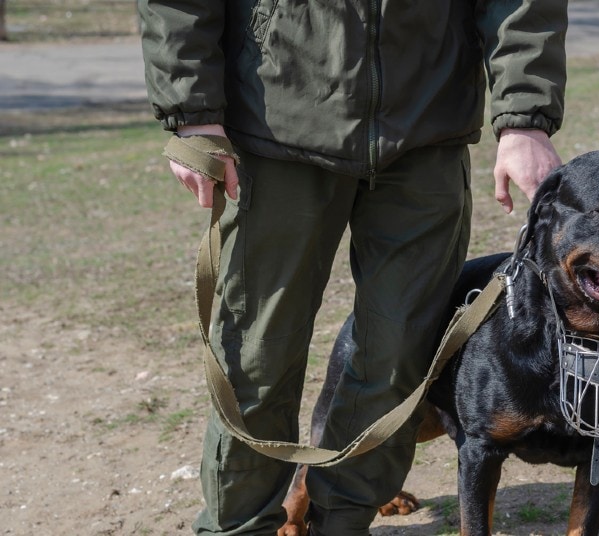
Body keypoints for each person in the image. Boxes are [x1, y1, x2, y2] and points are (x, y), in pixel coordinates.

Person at [138, 1, 568, 534]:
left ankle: (342, 522)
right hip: (274, 120)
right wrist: (192, 108)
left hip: (426, 128)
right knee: (256, 356)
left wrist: (525, 116)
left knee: (399, 358)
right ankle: (239, 527)